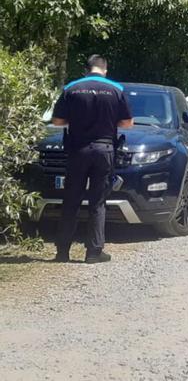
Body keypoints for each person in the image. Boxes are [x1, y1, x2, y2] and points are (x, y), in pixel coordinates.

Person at [50, 55, 132, 264]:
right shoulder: (116, 89)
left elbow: (58, 120)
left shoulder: (72, 88)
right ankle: (94, 252)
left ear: (86, 70)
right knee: (98, 201)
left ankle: (62, 252)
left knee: (71, 200)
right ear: (105, 70)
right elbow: (127, 123)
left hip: (78, 149)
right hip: (104, 149)